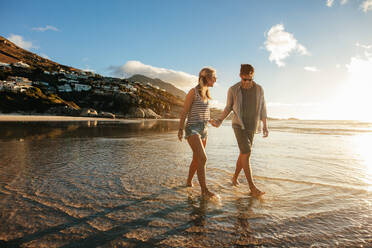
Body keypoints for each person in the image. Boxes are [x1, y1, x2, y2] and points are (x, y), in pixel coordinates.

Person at [211, 64, 268, 197]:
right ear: (240, 76)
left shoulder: (259, 89)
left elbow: (263, 108)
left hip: (252, 126)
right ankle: (252, 187)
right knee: (246, 152)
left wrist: (265, 125)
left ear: (253, 76)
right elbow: (228, 107)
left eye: (249, 79)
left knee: (244, 154)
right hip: (238, 125)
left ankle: (234, 178)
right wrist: (219, 120)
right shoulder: (233, 89)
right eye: (244, 79)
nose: (247, 82)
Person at [178, 67, 217, 198]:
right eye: (213, 77)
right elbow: (184, 111)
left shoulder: (207, 94)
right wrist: (180, 129)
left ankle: (188, 181)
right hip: (192, 128)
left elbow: (203, 113)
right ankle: (204, 190)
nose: (215, 80)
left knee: (196, 159)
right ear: (206, 78)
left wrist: (211, 121)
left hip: (204, 130)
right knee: (203, 158)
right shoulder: (192, 92)